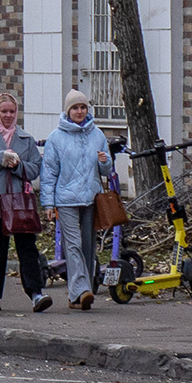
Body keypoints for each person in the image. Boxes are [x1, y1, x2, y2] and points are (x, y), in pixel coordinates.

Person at [0, 92, 51, 312]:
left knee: (27, 247)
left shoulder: (26, 139)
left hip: (20, 202)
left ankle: (36, 293)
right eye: (4, 111)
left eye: (12, 111)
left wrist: (18, 166)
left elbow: (35, 169)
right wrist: (0, 158)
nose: (8, 115)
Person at [40, 87, 112, 310]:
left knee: (88, 246)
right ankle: (82, 290)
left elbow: (106, 170)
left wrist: (105, 162)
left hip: (90, 198)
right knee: (73, 245)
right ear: (67, 111)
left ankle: (78, 295)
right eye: (75, 108)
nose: (79, 111)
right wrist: (48, 203)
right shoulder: (56, 137)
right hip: (66, 200)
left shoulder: (97, 134)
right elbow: (49, 173)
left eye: (83, 107)